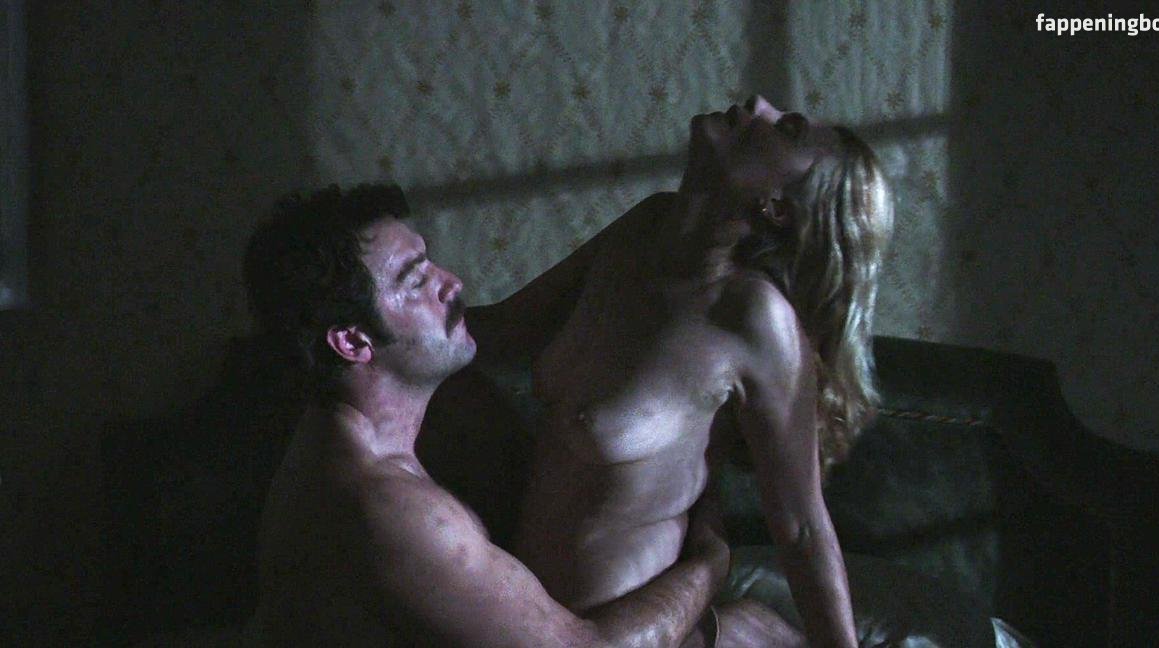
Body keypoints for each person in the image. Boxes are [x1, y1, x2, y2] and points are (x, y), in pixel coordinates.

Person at [473, 96, 893, 647]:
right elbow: (500, 328)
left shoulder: (754, 319)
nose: (758, 105)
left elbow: (803, 528)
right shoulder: (641, 230)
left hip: (630, 636)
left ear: (778, 207)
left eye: (787, 130)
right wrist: (373, 301)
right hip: (524, 621)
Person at [243, 184, 730, 647]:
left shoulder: (356, 414)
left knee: (747, 631)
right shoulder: (385, 506)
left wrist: (667, 217)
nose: (452, 283)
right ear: (353, 342)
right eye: (417, 280)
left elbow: (506, 324)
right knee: (745, 629)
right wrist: (711, 561)